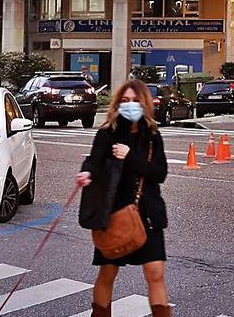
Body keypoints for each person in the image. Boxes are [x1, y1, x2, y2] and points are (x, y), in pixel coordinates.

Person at [76, 81, 170, 317]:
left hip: (147, 214)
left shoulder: (152, 136)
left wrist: (130, 157)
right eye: (125, 101)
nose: (130, 106)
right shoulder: (108, 133)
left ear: (144, 103)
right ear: (118, 104)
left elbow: (159, 173)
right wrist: (86, 173)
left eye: (135, 101)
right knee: (108, 273)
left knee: (155, 272)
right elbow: (93, 162)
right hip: (115, 214)